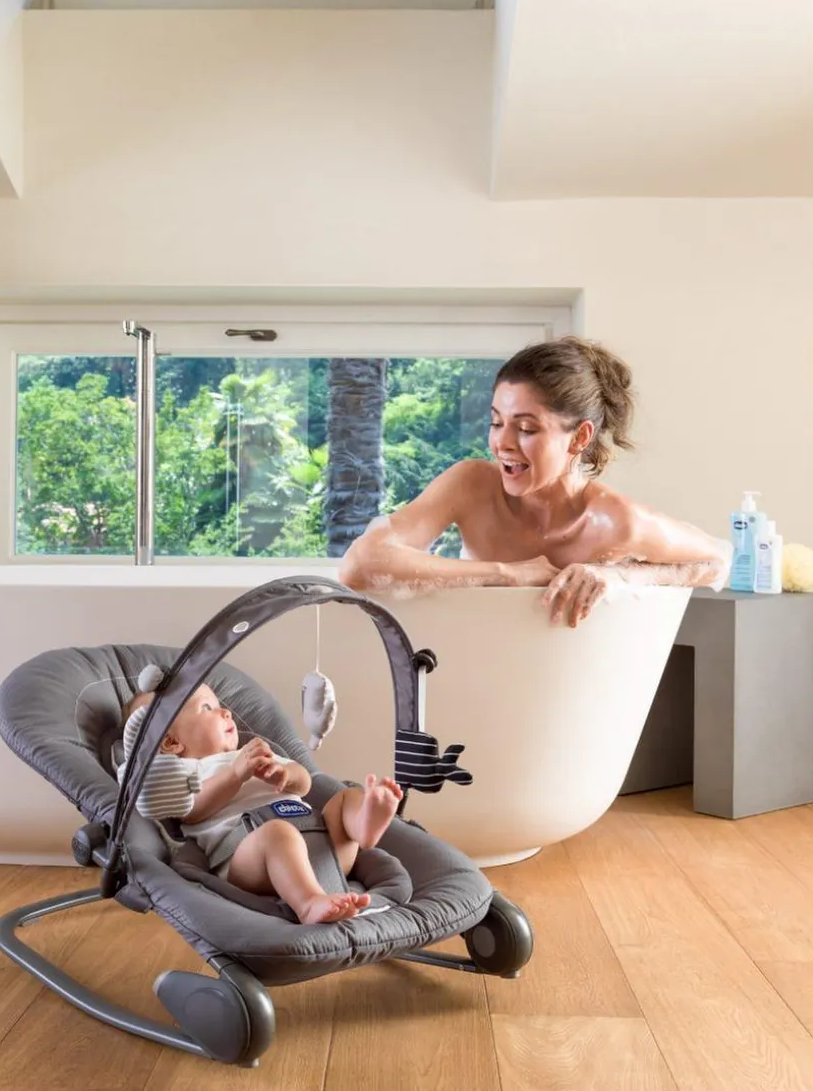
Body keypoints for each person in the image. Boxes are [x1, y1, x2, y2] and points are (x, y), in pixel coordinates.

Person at [338, 336, 732, 627]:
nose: (502, 443)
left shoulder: (614, 521)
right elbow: (360, 564)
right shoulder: (471, 486)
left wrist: (618, 575)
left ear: (579, 437)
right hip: (471, 664)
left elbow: (718, 561)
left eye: (526, 428)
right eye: (496, 422)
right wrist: (507, 574)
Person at [120, 685, 402, 925]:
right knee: (277, 833)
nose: (225, 712)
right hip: (252, 859)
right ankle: (309, 902)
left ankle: (364, 827)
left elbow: (305, 783)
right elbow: (191, 812)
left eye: (218, 704)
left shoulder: (254, 752)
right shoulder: (186, 774)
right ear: (171, 741)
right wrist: (235, 775)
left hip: (324, 845)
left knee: (347, 796)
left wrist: (286, 774)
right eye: (206, 708)